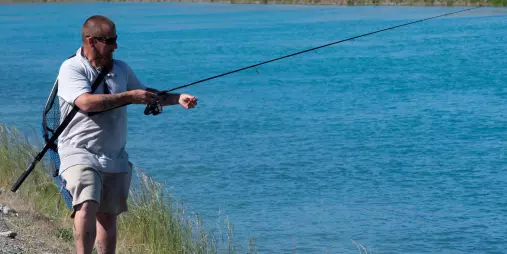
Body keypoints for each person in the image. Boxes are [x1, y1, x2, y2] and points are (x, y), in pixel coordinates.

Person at [56, 15, 197, 254]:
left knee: (108, 215)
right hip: (78, 150)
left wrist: (177, 98)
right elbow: (87, 103)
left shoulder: (121, 69)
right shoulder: (72, 68)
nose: (115, 46)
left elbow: (145, 94)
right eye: (109, 41)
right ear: (91, 40)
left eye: (116, 39)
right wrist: (130, 97)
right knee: (87, 203)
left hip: (114, 155)